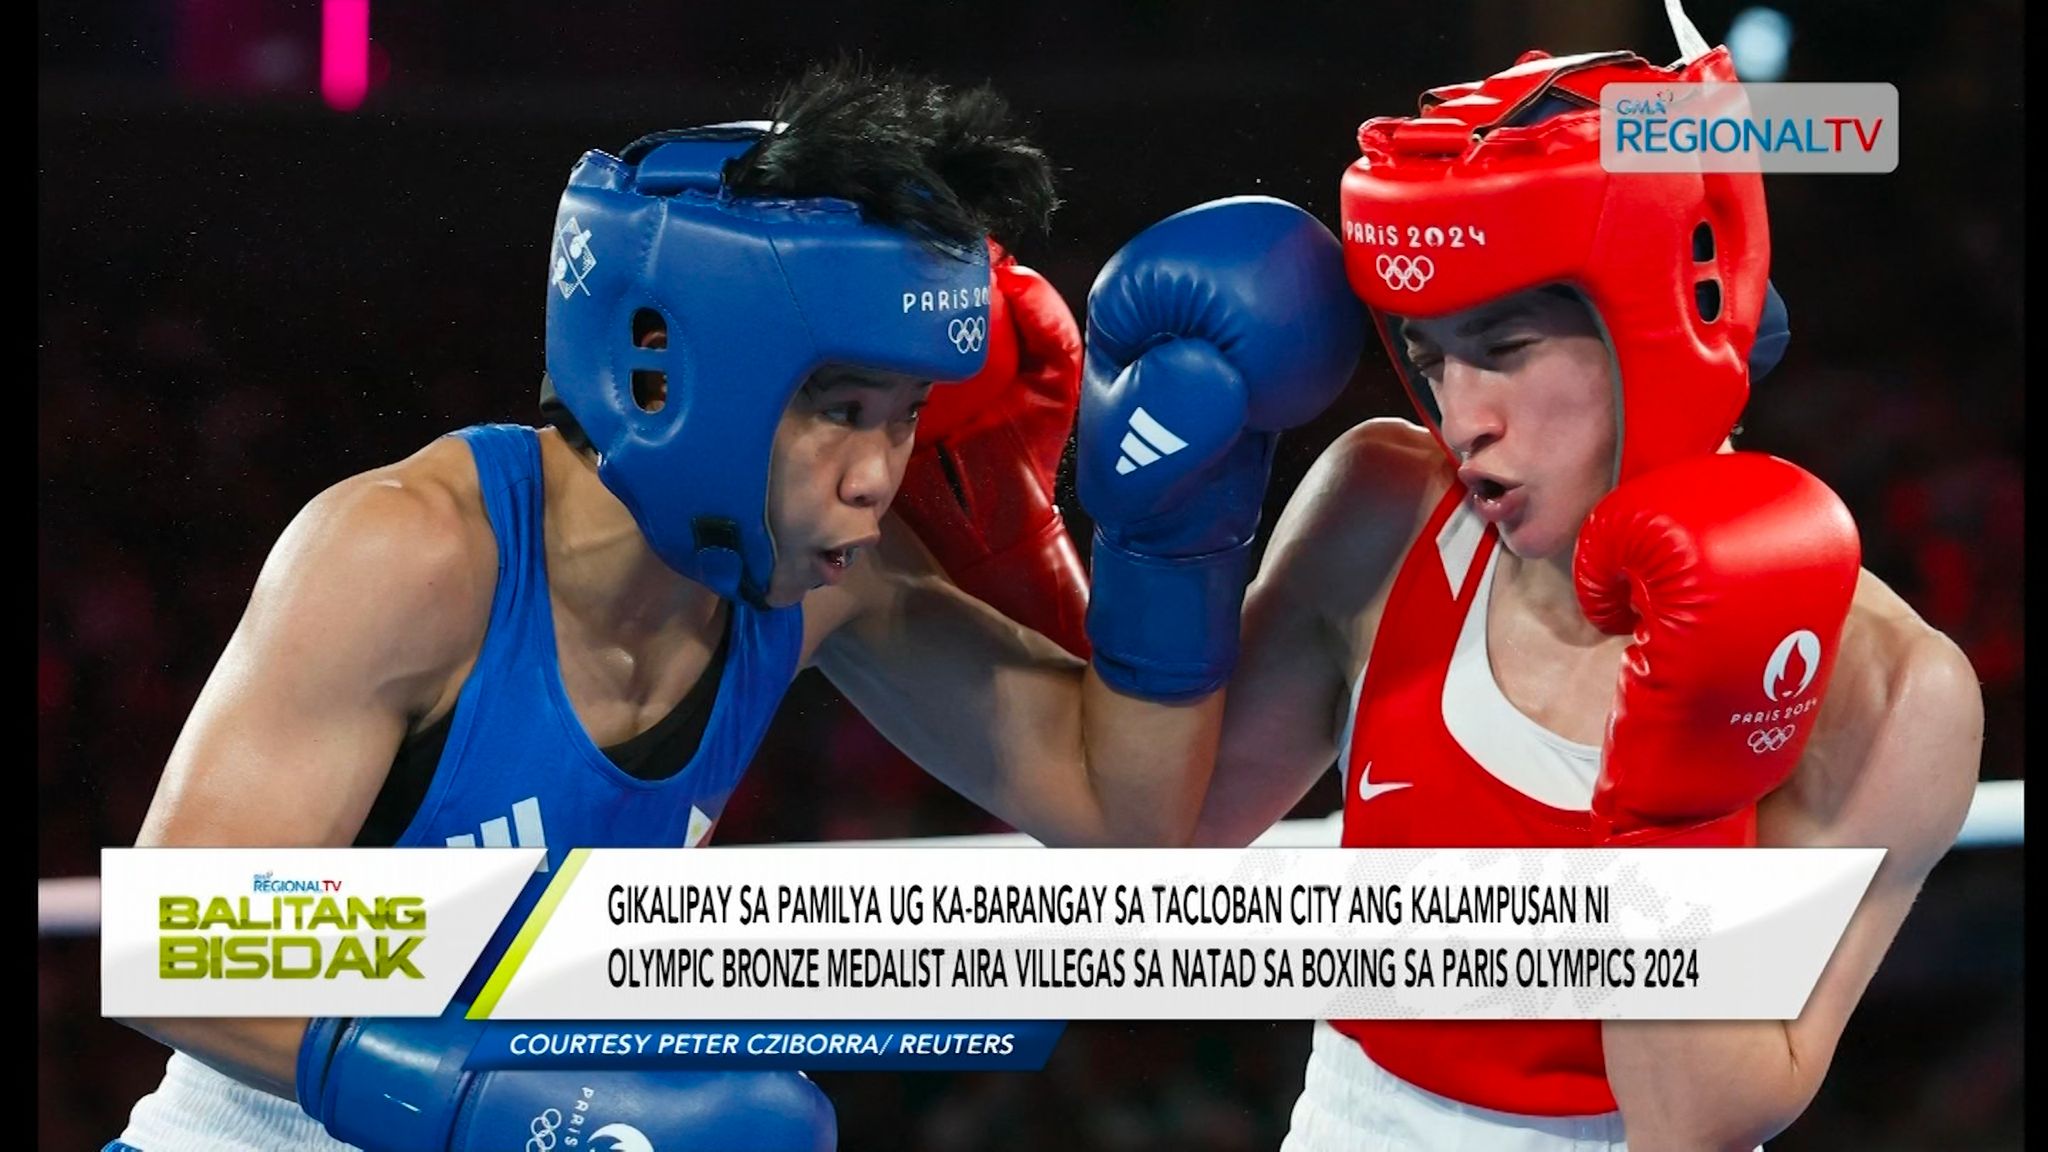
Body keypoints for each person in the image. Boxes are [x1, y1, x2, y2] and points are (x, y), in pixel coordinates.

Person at [108, 62, 1175, 1152]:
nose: (876, 476)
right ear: (669, 375)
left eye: (903, 417)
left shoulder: (822, 585)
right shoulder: (412, 553)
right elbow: (170, 948)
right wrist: (495, 1106)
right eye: (839, 408)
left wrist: (1169, 540)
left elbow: (1127, 810)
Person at [1068, 12, 1985, 1151]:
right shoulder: (1382, 517)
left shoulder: (1883, 690)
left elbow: (1683, 1125)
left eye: (1501, 350)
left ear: (1661, 325)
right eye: (1425, 355)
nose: (1459, 420)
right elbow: (1146, 850)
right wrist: (1165, 551)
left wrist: (1676, 795)